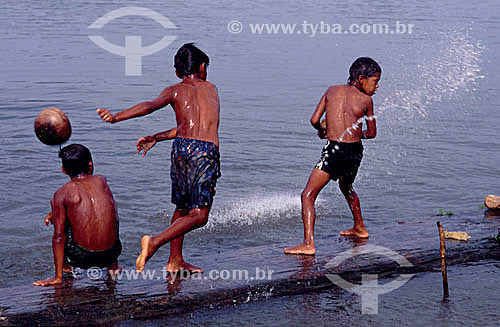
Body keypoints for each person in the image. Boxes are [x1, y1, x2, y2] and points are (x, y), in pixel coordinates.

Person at [97, 43, 220, 273]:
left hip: (181, 149)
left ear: (177, 72)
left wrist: (117, 118)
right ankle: (154, 242)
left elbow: (152, 108)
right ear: (202, 67)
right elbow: (201, 129)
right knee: (200, 216)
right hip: (204, 153)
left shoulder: (174, 90)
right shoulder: (211, 89)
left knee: (182, 208)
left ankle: (175, 261)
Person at [285, 57, 381, 256]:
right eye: (375, 81)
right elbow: (371, 133)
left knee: (308, 195)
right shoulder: (367, 101)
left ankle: (308, 243)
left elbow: (314, 120)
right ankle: (360, 227)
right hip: (355, 151)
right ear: (362, 79)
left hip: (335, 151)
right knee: (346, 186)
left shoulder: (331, 91)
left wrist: (322, 130)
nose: (377, 86)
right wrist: (353, 133)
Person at [34, 144, 121, 286]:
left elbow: (59, 237)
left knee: (60, 222)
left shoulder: (61, 194)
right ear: (91, 165)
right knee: (110, 209)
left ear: (63, 170)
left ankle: (63, 271)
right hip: (112, 253)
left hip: (82, 258)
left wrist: (57, 277)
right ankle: (113, 268)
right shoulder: (102, 181)